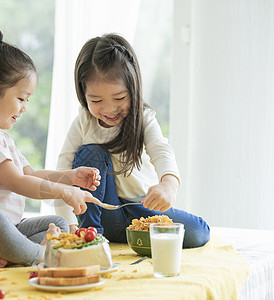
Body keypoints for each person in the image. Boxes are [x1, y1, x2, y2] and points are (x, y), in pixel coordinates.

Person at [0, 28, 102, 267]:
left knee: (59, 222)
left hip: (6, 231)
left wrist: (69, 177)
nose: (25, 107)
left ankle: (10, 255)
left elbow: (31, 175)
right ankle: (40, 254)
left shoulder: (2, 138)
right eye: (21, 98)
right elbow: (17, 182)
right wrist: (64, 192)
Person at [54, 33, 210, 248]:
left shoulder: (143, 118)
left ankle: (134, 238)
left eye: (119, 98)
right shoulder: (84, 121)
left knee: (198, 232)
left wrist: (168, 184)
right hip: (102, 213)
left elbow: (161, 150)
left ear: (133, 89)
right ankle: (92, 235)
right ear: (83, 94)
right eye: (96, 100)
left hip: (141, 209)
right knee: (90, 152)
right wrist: (67, 223)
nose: (109, 109)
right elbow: (62, 169)